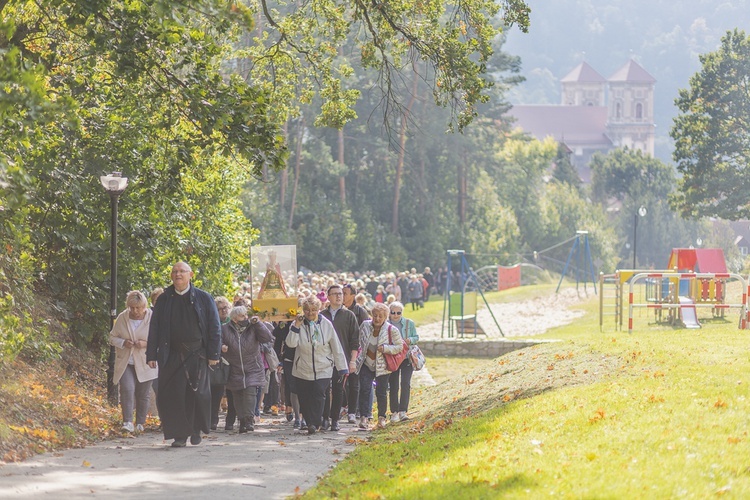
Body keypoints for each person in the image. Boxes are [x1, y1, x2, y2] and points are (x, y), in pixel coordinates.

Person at [146, 261, 221, 448]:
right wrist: (151, 355)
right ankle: (179, 435)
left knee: (197, 395)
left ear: (191, 275)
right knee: (172, 395)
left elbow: (214, 326)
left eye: (181, 271)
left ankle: (196, 430)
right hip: (171, 354)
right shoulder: (164, 299)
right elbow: (154, 328)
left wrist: (214, 353)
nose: (178, 274)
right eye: (174, 272)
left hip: (198, 354)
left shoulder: (204, 298)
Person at [286, 295, 348, 435]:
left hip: (323, 367)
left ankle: (315, 422)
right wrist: (296, 326)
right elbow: (291, 343)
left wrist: (342, 368)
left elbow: (336, 346)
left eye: (313, 310)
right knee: (304, 396)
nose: (310, 313)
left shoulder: (326, 324)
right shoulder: (298, 323)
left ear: (318, 309)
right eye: (307, 310)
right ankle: (309, 422)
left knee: (319, 393)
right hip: (302, 367)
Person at [109, 290, 158, 433]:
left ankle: (140, 423)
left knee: (143, 393)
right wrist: (123, 342)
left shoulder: (153, 318)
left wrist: (145, 344)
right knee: (127, 389)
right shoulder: (122, 318)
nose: (135, 311)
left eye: (138, 307)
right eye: (132, 308)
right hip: (126, 361)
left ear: (144, 306)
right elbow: (112, 338)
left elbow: (161, 340)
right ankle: (127, 422)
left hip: (146, 362)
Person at [221, 305, 274, 433]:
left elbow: (267, 338)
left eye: (246, 315)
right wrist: (221, 347)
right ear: (234, 319)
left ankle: (249, 419)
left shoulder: (253, 327)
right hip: (234, 367)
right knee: (237, 394)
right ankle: (242, 420)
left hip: (252, 366)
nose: (245, 318)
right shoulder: (225, 329)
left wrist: (258, 324)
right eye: (242, 316)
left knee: (250, 392)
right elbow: (217, 340)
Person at [354, 303, 404, 430]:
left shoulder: (391, 330)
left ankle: (381, 418)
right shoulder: (365, 325)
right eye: (375, 315)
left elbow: (400, 346)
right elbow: (359, 341)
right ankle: (364, 418)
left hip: (382, 366)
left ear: (386, 317)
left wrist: (386, 348)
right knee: (364, 389)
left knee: (381, 392)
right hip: (366, 363)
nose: (377, 319)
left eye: (380, 316)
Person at [320, 284, 360, 432]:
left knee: (338, 389)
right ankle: (324, 418)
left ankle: (334, 419)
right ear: (328, 296)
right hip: (323, 359)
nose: (338, 296)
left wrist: (352, 360)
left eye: (341, 294)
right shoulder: (322, 315)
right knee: (323, 389)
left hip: (341, 358)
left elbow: (355, 340)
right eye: (335, 294)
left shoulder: (349, 315)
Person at [387, 301, 419, 422]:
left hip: (406, 357)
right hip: (393, 358)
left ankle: (403, 411)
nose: (395, 315)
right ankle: (394, 411)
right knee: (393, 385)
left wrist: (409, 340)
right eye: (393, 312)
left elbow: (416, 337)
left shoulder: (408, 323)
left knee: (405, 383)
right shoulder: (387, 324)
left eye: (398, 313)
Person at [210, 296, 233, 431]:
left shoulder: (234, 321)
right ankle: (213, 419)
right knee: (216, 390)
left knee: (232, 391)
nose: (224, 311)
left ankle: (230, 420)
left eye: (226, 308)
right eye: (220, 309)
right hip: (218, 362)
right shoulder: (212, 323)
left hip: (232, 360)